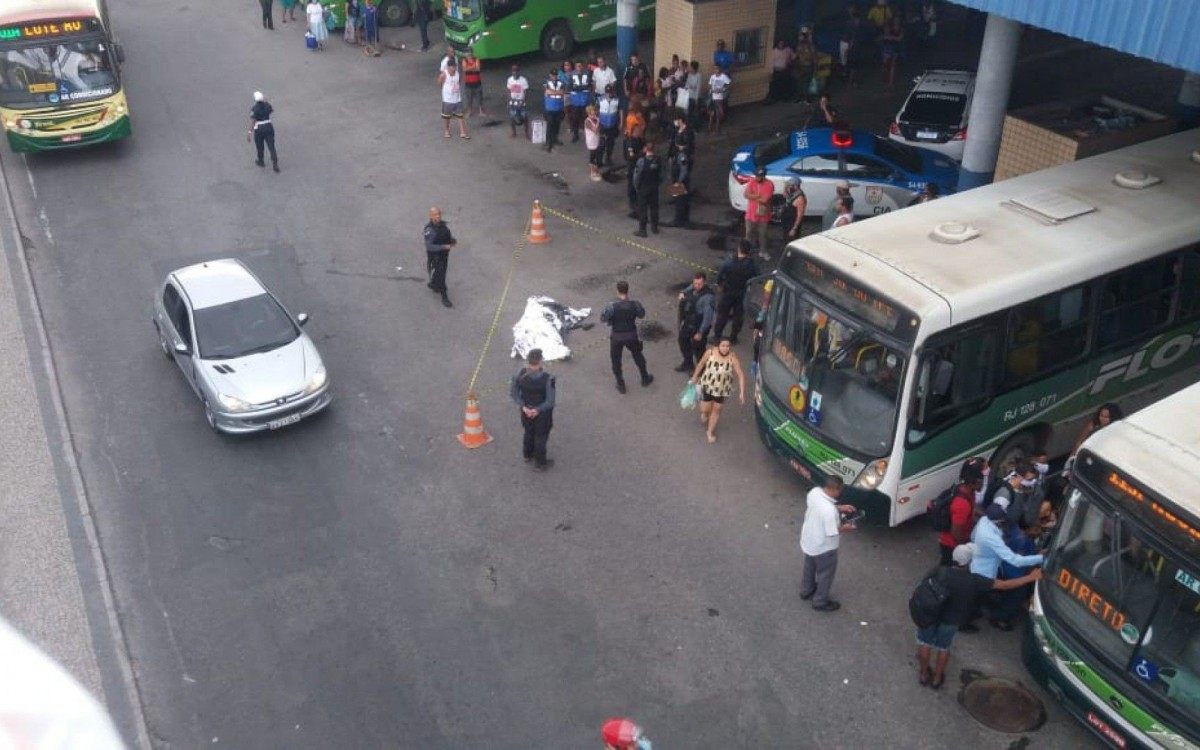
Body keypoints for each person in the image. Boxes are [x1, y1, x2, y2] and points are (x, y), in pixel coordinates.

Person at [916, 544, 1043, 690]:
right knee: (943, 648)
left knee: (924, 643)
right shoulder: (974, 581)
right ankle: (937, 679)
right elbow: (1005, 585)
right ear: (969, 562)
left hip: (930, 614)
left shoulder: (939, 570)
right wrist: (1031, 577)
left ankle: (924, 674)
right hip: (950, 620)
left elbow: (922, 584)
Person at [799, 477, 857, 612]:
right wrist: (847, 528)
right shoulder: (829, 511)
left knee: (809, 567)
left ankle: (806, 590)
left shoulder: (814, 492)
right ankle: (820, 601)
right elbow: (833, 531)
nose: (840, 493)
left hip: (809, 541)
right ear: (835, 490)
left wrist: (840, 508)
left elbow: (819, 506)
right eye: (840, 490)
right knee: (825, 574)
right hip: (824, 548)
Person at [600, 281, 654, 394]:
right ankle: (645, 378)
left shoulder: (611, 306)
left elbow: (603, 319)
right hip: (631, 335)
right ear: (628, 290)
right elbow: (642, 314)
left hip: (616, 337)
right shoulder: (635, 304)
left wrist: (611, 321)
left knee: (616, 360)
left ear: (617, 290)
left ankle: (621, 384)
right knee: (638, 355)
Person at [691, 338, 746, 443]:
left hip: (721, 391)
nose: (725, 348)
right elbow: (701, 364)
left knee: (716, 410)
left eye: (727, 346)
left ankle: (710, 432)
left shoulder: (732, 358)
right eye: (723, 345)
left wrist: (742, 392)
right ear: (718, 346)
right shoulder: (710, 352)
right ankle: (706, 413)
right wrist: (695, 376)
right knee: (705, 410)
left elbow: (740, 374)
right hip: (707, 387)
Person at [970, 503, 1044, 581]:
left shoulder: (984, 520)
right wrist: (1042, 558)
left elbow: (972, 537)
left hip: (978, 566)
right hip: (985, 576)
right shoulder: (991, 538)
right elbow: (1015, 560)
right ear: (998, 522)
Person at [989, 523, 1043, 631]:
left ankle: (998, 611)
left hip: (1004, 566)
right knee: (1015, 596)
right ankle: (1000, 618)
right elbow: (1029, 559)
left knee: (1007, 593)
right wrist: (1042, 557)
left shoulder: (1015, 530)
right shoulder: (1027, 542)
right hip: (1016, 573)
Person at [510, 349, 556, 470]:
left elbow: (514, 394)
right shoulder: (548, 379)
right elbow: (550, 401)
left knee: (529, 432)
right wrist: (537, 410)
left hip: (526, 410)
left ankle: (527, 454)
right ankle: (540, 463)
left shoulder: (519, 375)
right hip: (542, 414)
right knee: (540, 436)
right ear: (540, 361)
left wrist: (524, 407)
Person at [712, 240, 759, 344]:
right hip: (741, 293)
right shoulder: (751, 265)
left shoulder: (729, 263)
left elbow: (720, 276)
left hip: (728, 292)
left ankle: (717, 337)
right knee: (738, 316)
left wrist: (719, 285)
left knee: (722, 315)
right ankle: (733, 338)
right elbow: (757, 276)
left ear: (739, 249)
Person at [937, 460, 981, 566]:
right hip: (951, 544)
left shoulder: (966, 490)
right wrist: (965, 546)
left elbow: (972, 509)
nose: (983, 484)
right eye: (981, 481)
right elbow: (956, 531)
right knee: (948, 570)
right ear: (973, 482)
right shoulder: (962, 504)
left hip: (954, 541)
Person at [675, 272, 716, 372]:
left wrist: (700, 333)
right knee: (683, 341)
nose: (697, 286)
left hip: (699, 326)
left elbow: (708, 318)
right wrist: (682, 293)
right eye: (695, 283)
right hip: (688, 323)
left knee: (699, 349)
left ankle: (702, 369)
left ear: (704, 283)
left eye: (699, 284)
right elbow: (688, 289)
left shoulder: (707, 298)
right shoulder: (693, 286)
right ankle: (688, 363)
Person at [423, 207, 456, 308]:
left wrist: (452, 241)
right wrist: (444, 246)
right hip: (435, 257)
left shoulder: (443, 225)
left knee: (439, 273)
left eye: (438, 214)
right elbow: (429, 246)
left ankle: (433, 284)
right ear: (430, 216)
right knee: (441, 275)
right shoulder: (429, 230)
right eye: (434, 215)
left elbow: (446, 235)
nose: (437, 216)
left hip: (444, 255)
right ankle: (444, 296)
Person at [632, 142, 663, 238]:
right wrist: (658, 183)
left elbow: (636, 176)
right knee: (654, 208)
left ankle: (642, 230)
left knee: (643, 209)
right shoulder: (658, 160)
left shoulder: (641, 161)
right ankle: (654, 227)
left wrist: (636, 187)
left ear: (646, 149)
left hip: (644, 188)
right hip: (654, 187)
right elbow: (662, 175)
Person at [622, 99, 647, 213]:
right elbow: (632, 156)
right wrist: (643, 152)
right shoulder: (631, 141)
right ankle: (633, 202)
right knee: (632, 180)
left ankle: (637, 199)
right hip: (634, 161)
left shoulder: (637, 118)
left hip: (638, 150)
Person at [743, 167, 774, 255]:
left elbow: (764, 200)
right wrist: (758, 196)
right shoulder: (752, 181)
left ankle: (763, 251)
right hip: (750, 214)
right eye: (756, 175)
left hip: (763, 215)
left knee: (762, 235)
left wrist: (752, 196)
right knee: (748, 233)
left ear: (764, 176)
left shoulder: (769, 184)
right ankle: (746, 252)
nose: (756, 177)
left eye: (759, 176)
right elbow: (745, 194)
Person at [247, 91, 279, 172]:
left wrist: (249, 132)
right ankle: (275, 161)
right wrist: (265, 101)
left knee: (260, 146)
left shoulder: (254, 108)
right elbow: (271, 110)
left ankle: (261, 161)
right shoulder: (267, 105)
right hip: (268, 126)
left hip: (259, 129)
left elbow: (253, 120)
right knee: (271, 146)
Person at [438, 60, 470, 140]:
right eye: (452, 67)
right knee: (447, 116)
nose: (454, 68)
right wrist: (445, 90)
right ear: (448, 67)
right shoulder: (444, 74)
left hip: (457, 98)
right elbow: (439, 82)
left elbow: (459, 81)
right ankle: (446, 130)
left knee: (460, 115)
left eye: (455, 67)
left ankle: (462, 132)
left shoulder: (457, 74)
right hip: (447, 99)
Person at [542, 67, 566, 152]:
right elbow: (547, 91)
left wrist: (553, 92)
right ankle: (548, 140)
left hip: (558, 107)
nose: (554, 77)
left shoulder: (561, 82)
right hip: (550, 107)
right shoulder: (546, 82)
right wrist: (557, 92)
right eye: (553, 75)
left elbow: (563, 92)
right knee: (550, 125)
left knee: (557, 124)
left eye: (555, 75)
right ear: (550, 75)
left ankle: (555, 138)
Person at [568, 60, 592, 142]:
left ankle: (588, 134)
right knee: (575, 118)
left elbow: (589, 86)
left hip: (585, 100)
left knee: (586, 118)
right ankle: (575, 134)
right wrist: (581, 87)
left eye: (580, 66)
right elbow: (571, 87)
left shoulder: (587, 74)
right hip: (575, 101)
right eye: (577, 66)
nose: (579, 67)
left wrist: (578, 87)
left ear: (582, 66)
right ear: (575, 67)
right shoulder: (571, 75)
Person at [597, 85, 622, 165]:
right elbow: (595, 111)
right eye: (607, 92)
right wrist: (596, 123)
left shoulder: (617, 100)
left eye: (610, 92)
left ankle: (608, 159)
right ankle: (599, 161)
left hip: (612, 125)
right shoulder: (600, 100)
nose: (609, 94)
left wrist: (621, 123)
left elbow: (621, 111)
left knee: (610, 144)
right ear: (605, 92)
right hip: (602, 125)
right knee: (601, 144)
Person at [506, 64, 530, 139]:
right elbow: (508, 90)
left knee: (525, 117)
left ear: (519, 71)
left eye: (516, 71)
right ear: (512, 72)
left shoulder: (523, 80)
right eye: (513, 71)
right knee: (512, 118)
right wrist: (509, 100)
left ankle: (526, 133)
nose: (515, 72)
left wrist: (523, 101)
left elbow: (526, 92)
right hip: (513, 101)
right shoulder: (509, 79)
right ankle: (514, 133)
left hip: (521, 101)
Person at [880, 16, 905, 90]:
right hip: (887, 47)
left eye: (897, 20)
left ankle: (891, 83)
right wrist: (890, 37)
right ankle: (886, 79)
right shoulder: (889, 28)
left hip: (895, 48)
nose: (896, 21)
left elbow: (900, 38)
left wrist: (891, 37)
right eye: (895, 20)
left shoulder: (901, 29)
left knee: (892, 65)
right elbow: (885, 36)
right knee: (885, 65)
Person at [707, 65, 731, 135]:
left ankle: (717, 128)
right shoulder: (712, 76)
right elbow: (709, 85)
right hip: (712, 97)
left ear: (720, 69)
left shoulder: (723, 76)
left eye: (717, 68)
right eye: (714, 69)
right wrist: (711, 90)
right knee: (711, 113)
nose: (716, 70)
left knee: (718, 113)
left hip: (719, 98)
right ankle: (710, 127)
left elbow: (728, 84)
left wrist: (723, 89)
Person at [461, 49, 486, 117]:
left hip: (477, 82)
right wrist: (473, 66)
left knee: (479, 97)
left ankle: (481, 111)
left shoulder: (476, 59)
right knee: (469, 98)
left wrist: (469, 68)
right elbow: (464, 69)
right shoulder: (464, 60)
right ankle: (469, 111)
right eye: (467, 53)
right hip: (468, 83)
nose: (468, 55)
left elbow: (478, 68)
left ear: (472, 53)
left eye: (469, 53)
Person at [584, 105, 602, 181]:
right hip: (591, 141)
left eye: (595, 114)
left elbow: (599, 130)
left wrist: (597, 123)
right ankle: (592, 171)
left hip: (596, 139)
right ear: (588, 114)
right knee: (593, 155)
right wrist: (598, 121)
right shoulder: (587, 121)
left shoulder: (595, 119)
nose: (594, 115)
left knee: (597, 155)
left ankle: (596, 169)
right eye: (592, 114)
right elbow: (595, 130)